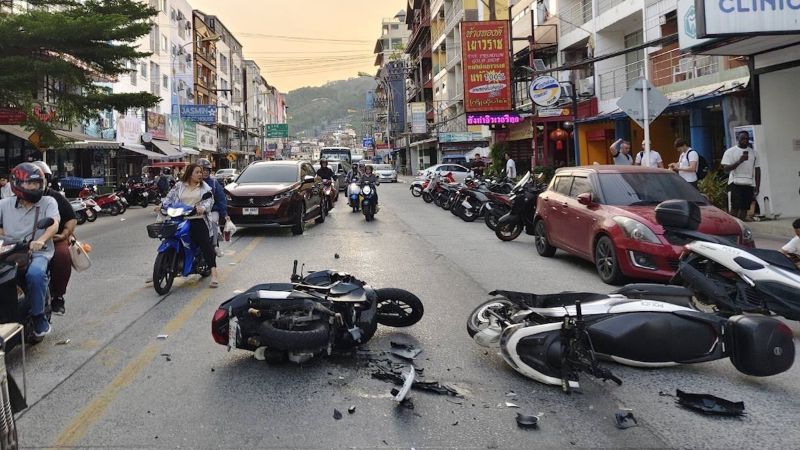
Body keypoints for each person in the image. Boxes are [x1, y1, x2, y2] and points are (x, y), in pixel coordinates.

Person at [0, 163, 60, 337]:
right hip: (10, 252)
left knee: (35, 274)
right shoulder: (4, 205)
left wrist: (40, 240)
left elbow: (54, 224)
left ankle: (38, 317)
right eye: (31, 183)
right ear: (17, 183)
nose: (35, 187)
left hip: (37, 253)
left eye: (37, 183)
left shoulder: (48, 202)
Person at [162, 164, 219, 287]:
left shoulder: (205, 187)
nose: (200, 174)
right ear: (190, 173)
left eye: (201, 172)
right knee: (169, 236)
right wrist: (163, 206)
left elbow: (210, 201)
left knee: (205, 244)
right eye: (197, 172)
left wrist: (203, 208)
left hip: (197, 219)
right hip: (179, 217)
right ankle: (161, 268)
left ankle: (214, 274)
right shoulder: (179, 186)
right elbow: (169, 198)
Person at [31, 161, 76, 315]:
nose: (31, 185)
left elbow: (71, 218)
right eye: (27, 181)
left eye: (36, 181)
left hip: (54, 239)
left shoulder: (54, 198)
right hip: (24, 240)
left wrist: (64, 234)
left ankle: (58, 296)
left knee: (62, 255)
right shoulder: (12, 201)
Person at [721, 131, 761, 221]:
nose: (745, 140)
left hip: (749, 183)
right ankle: (732, 227)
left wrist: (757, 186)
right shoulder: (730, 152)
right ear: (738, 139)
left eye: (747, 139)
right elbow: (726, 169)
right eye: (742, 138)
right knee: (735, 208)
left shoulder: (754, 153)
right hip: (735, 183)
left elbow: (757, 170)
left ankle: (741, 227)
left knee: (744, 208)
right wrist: (739, 161)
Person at [197, 158, 227, 257]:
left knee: (213, 221)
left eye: (207, 170)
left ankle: (215, 246)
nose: (204, 172)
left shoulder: (213, 183)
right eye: (202, 170)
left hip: (211, 210)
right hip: (193, 211)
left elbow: (221, 199)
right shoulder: (190, 182)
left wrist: (225, 214)